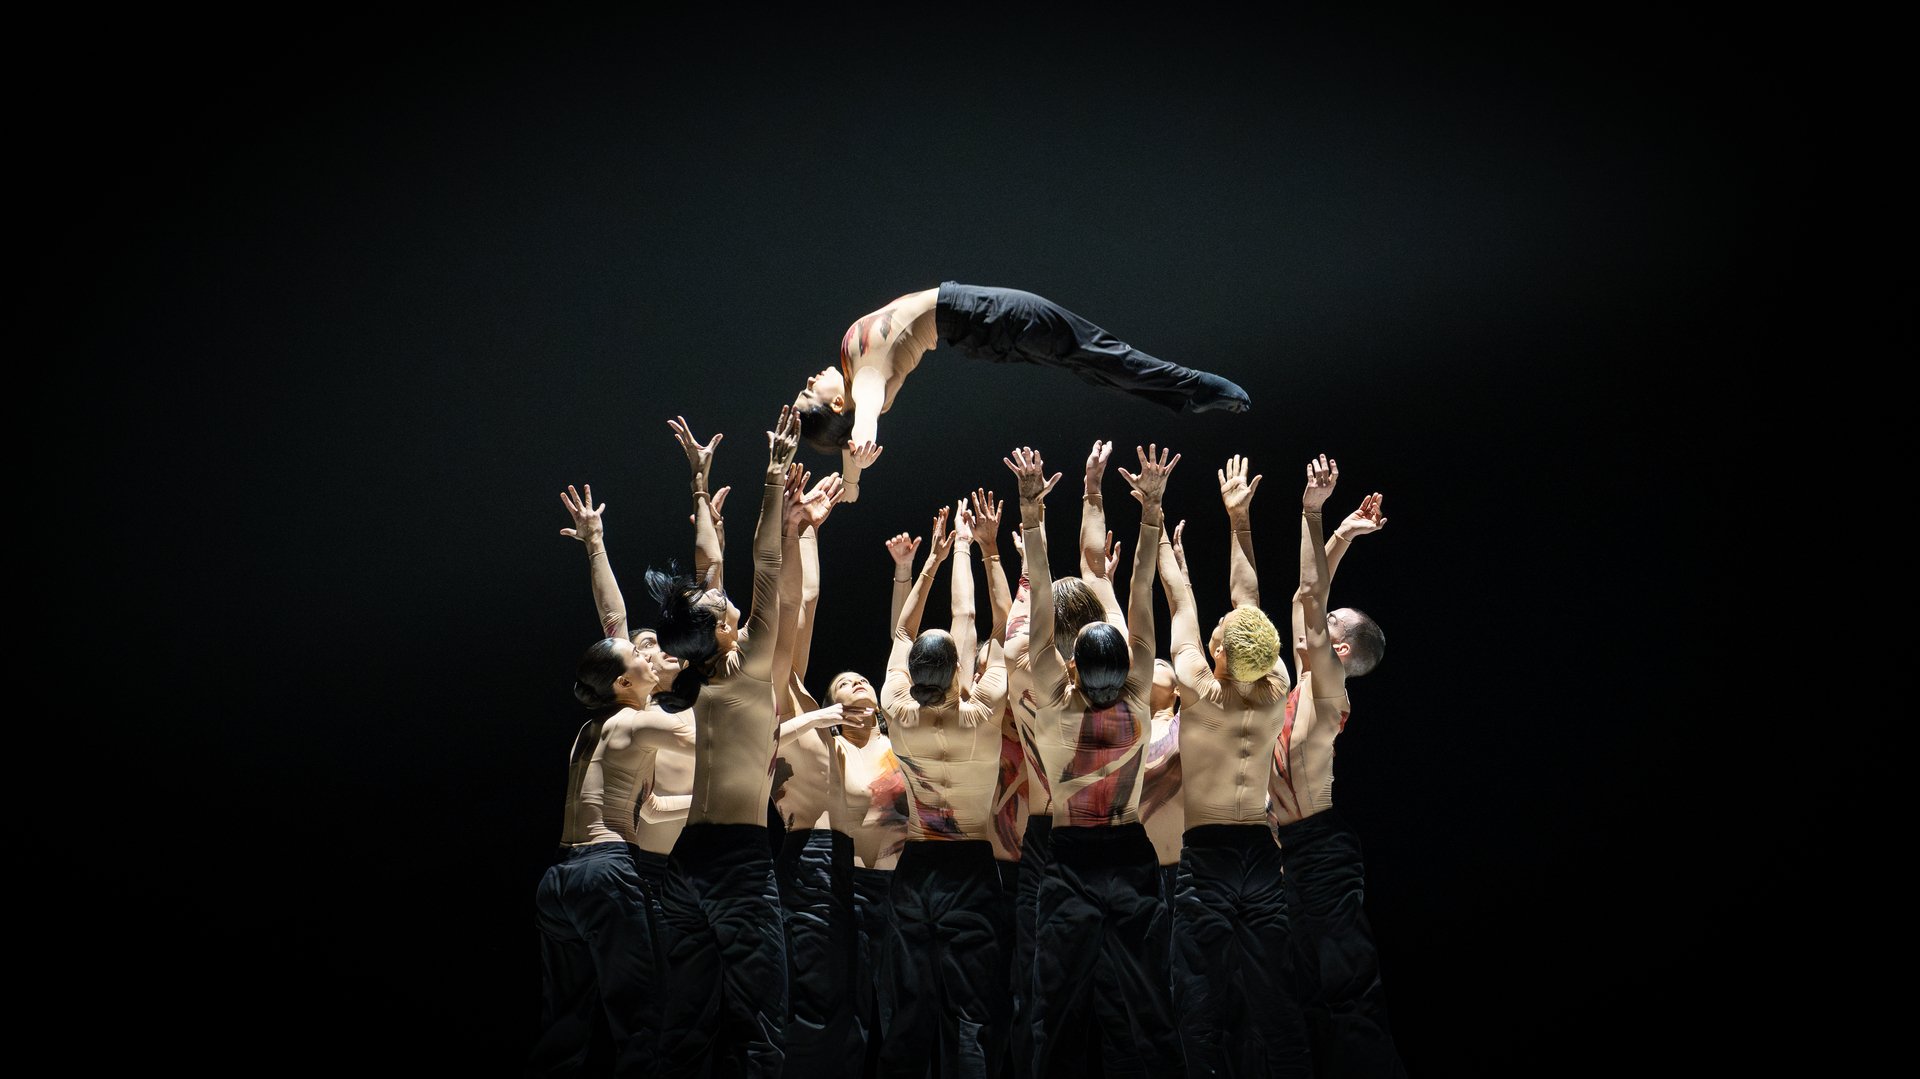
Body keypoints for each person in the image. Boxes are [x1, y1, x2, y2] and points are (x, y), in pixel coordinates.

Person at [1009, 443, 1185, 1078]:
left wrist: (1032, 514)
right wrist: (1152, 512)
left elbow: (1040, 605)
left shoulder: (1055, 701)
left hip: (1071, 856)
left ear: (1072, 665)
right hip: (1131, 851)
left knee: (1058, 1008)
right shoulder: (1138, 697)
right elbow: (1139, 592)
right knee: (1152, 1006)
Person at [646, 406, 802, 1077]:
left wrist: (699, 485)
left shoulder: (703, 673)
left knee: (684, 1026)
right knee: (761, 1023)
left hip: (688, 858)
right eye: (722, 608)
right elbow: (765, 562)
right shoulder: (746, 669)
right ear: (721, 631)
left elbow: (710, 569)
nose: (725, 598)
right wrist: (772, 474)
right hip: (736, 859)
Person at [793, 284, 1250, 501]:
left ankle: (1183, 395)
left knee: (1089, 361)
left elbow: (851, 444)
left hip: (981, 330)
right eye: (809, 392)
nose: (809, 381)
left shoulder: (854, 372)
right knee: (1094, 351)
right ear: (837, 404)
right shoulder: (867, 375)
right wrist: (864, 440)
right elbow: (865, 416)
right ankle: (1194, 387)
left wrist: (850, 485)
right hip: (987, 318)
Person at [1155, 454, 1311, 1076]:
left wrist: (1154, 519)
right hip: (1261, 852)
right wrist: (1239, 521)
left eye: (1218, 632)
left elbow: (1179, 602)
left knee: (1199, 1001)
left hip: (1208, 856)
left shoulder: (1200, 690)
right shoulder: (1276, 686)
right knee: (1277, 1000)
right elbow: (1249, 604)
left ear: (1216, 652)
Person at [1268, 459, 1403, 1078]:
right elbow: (1306, 598)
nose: (1311, 625)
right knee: (1301, 1000)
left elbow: (1311, 595)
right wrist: (1343, 532)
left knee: (1351, 1000)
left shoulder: (1328, 693)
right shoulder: (1305, 682)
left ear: (1339, 649)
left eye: (1326, 630)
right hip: (1286, 850)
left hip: (1321, 852)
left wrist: (1316, 513)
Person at [874, 499, 1014, 1076]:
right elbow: (997, 625)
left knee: (911, 1013)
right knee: (979, 1012)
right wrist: (983, 549)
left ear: (912, 674)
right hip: (970, 867)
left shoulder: (897, 709)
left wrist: (930, 562)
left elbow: (901, 631)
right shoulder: (982, 712)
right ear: (960, 671)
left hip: (918, 866)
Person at [530, 630, 697, 1075]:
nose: (647, 655)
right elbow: (727, 742)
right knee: (645, 1018)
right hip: (607, 873)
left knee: (563, 1026)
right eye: (637, 654)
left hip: (560, 879)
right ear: (623, 683)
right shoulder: (636, 723)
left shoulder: (588, 729)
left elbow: (651, 806)